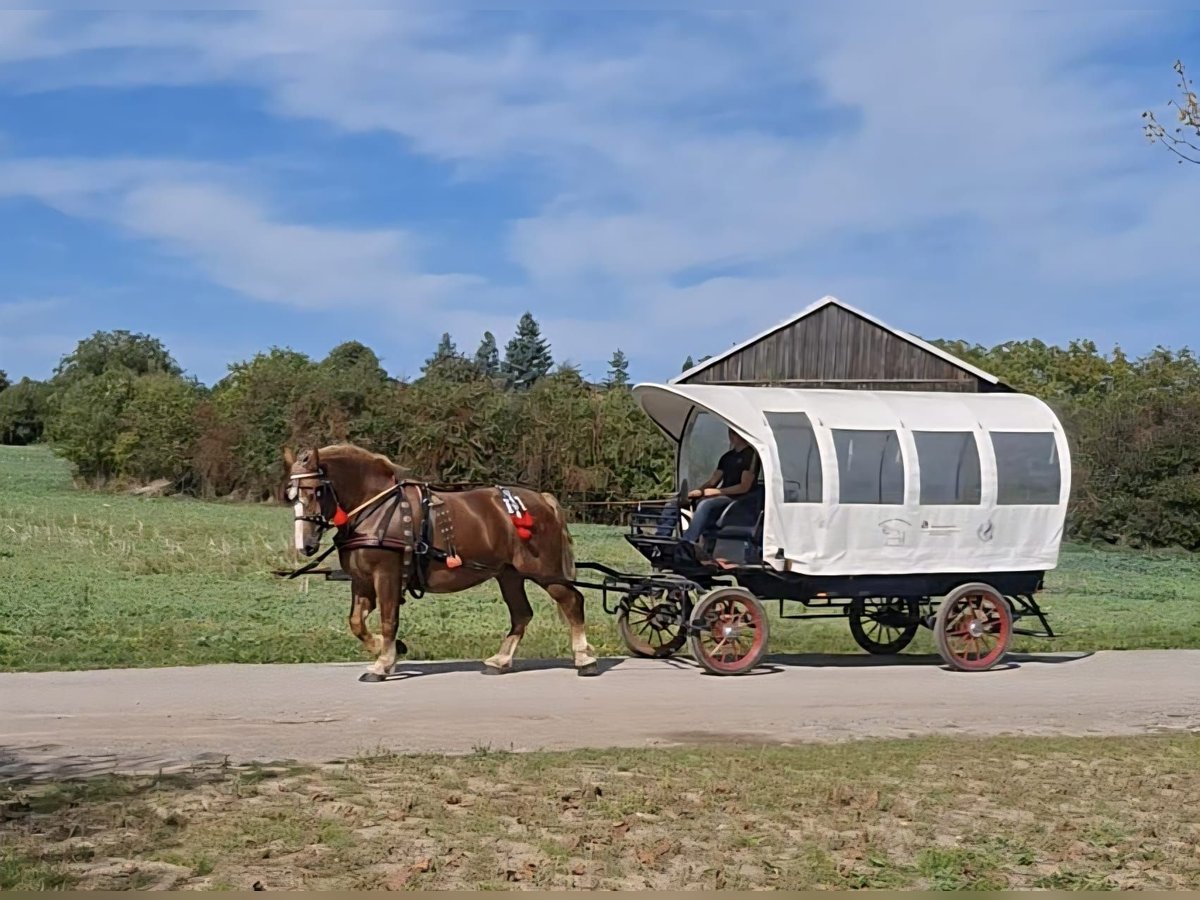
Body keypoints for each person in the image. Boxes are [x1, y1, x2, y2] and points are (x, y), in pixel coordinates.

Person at [680, 428, 760, 551]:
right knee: (676, 503)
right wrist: (698, 491)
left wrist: (719, 491)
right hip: (722, 496)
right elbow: (713, 481)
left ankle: (687, 542)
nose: (731, 436)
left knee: (706, 504)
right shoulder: (726, 457)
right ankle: (662, 538)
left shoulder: (751, 456)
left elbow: (744, 487)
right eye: (730, 432)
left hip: (737, 499)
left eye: (734, 433)